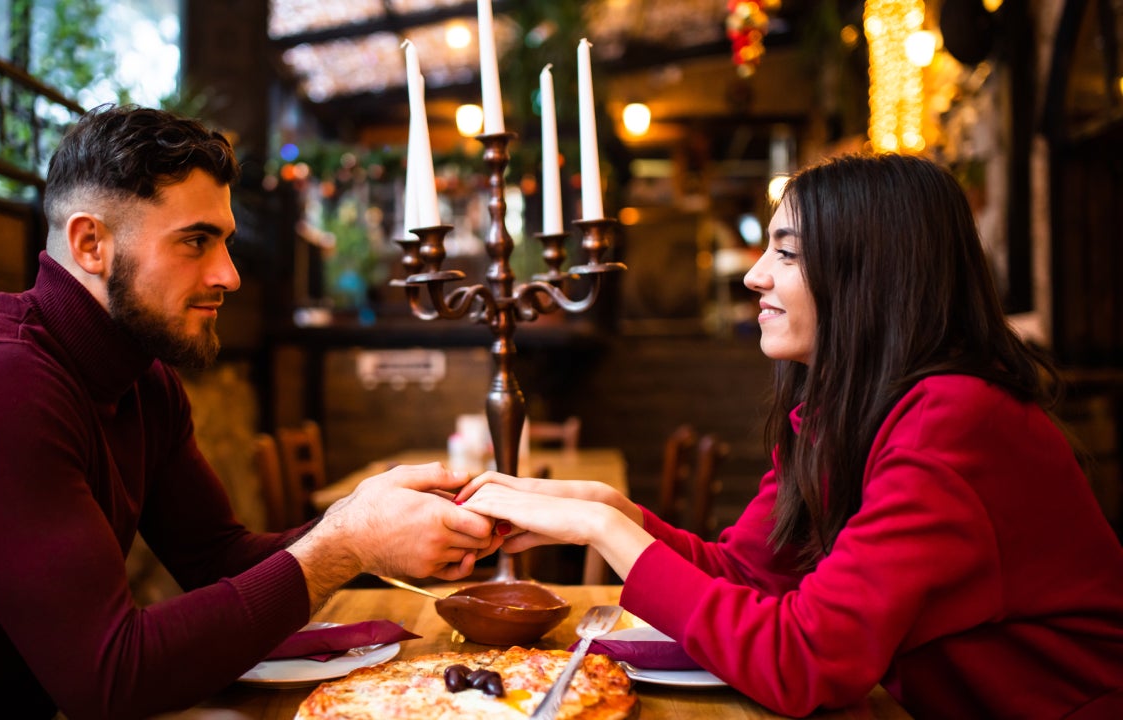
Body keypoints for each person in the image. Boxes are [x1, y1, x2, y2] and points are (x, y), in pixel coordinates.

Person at [0, 105, 500, 720]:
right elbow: (109, 677)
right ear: (91, 245)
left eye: (226, 242)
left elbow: (221, 562)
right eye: (196, 242)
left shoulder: (143, 379)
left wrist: (377, 522)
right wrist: (345, 542)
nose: (229, 275)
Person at [459, 153, 1123, 719]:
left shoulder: (954, 422)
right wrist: (612, 512)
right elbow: (752, 575)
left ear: (871, 273)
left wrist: (606, 535)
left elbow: (806, 660)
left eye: (786, 253)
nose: (755, 276)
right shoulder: (847, 406)